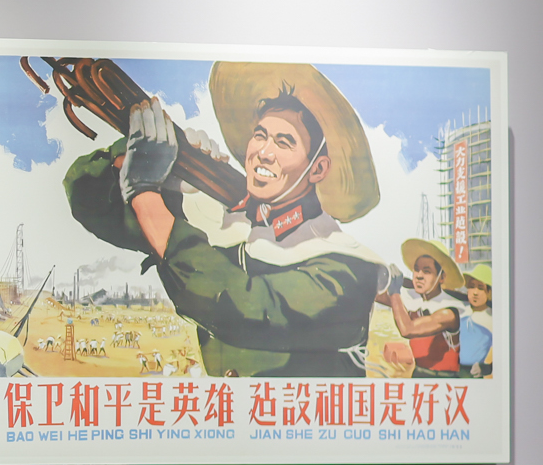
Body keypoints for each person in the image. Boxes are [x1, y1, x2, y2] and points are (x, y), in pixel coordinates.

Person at [63, 64, 388, 376]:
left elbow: (239, 307)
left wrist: (145, 192)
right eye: (260, 135)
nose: (263, 152)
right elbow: (89, 202)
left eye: (283, 142)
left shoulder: (349, 269)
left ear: (317, 169)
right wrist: (149, 155)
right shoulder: (233, 221)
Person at [375, 238, 466, 376]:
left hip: (443, 379)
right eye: (416, 270)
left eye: (427, 271)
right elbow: (377, 296)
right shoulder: (416, 302)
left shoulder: (448, 312)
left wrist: (395, 291)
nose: (419, 276)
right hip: (419, 373)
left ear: (442, 277)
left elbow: (407, 330)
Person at [459, 265, 493, 377]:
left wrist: (486, 368)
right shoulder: (460, 311)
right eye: (472, 287)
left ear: (489, 292)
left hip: (473, 374)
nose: (475, 292)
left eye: (480, 288)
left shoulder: (492, 319)